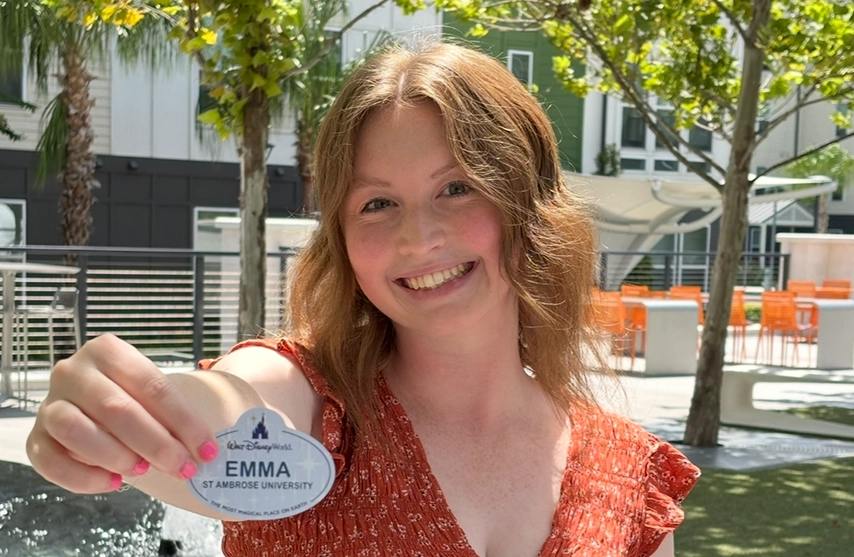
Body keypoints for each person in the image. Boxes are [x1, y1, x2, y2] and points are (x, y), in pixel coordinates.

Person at [27, 41, 699, 557]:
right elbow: (235, 406)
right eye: (377, 203)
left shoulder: (631, 475)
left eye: (457, 188)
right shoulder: (317, 406)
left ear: (528, 206)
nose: (418, 237)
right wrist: (124, 412)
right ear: (342, 239)